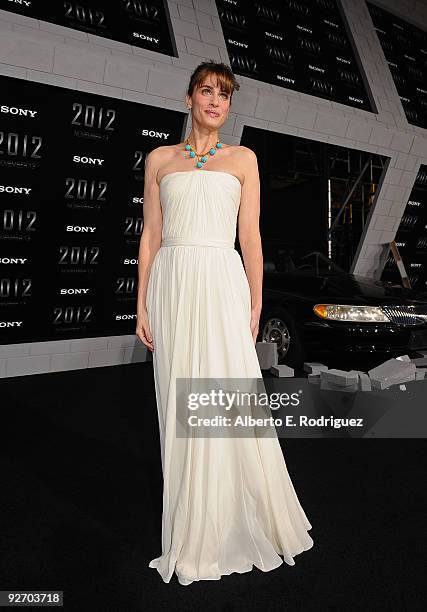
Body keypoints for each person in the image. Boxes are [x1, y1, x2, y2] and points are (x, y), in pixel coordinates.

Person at [135, 60, 313, 586]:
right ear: (189, 98)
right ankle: (191, 526)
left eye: (225, 95)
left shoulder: (243, 159)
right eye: (207, 91)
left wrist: (256, 302)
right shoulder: (160, 159)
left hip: (220, 280)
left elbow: (251, 237)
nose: (216, 101)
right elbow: (149, 235)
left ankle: (230, 516)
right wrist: (140, 301)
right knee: (176, 401)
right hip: (172, 284)